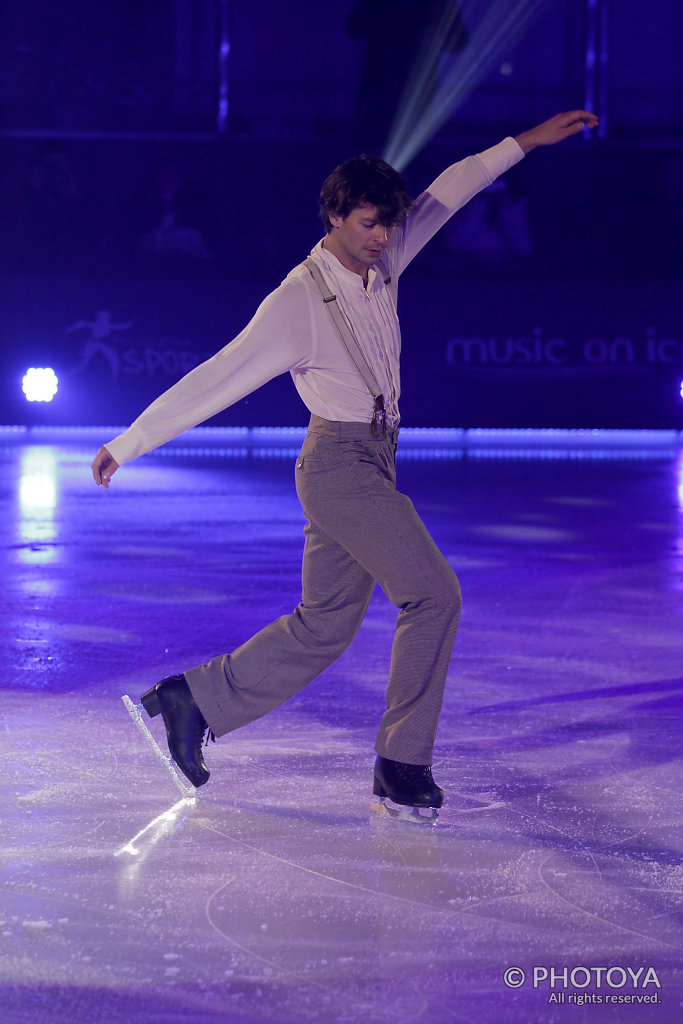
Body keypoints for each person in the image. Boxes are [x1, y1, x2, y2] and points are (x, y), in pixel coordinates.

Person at [92, 111, 598, 822]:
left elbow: (451, 190)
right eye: (366, 224)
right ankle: (401, 763)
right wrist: (129, 441)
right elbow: (220, 374)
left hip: (374, 461)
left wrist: (526, 141)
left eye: (388, 225)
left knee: (323, 624)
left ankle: (190, 699)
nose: (381, 237)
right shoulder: (297, 299)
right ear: (332, 215)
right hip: (338, 466)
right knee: (434, 596)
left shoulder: (384, 258)